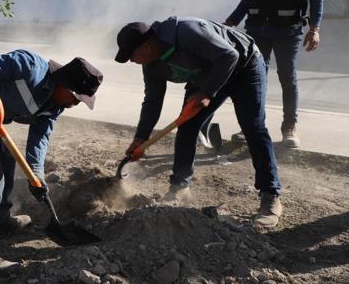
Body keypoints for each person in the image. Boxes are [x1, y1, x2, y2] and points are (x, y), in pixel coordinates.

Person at [0, 51, 103, 278]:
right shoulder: (30, 66)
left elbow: (40, 137)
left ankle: (2, 219)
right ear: (65, 86)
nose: (76, 104)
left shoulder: (55, 105)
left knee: (8, 159)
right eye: (77, 98)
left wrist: (36, 175)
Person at [114, 17, 282, 228]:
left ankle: (270, 198)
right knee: (188, 128)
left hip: (244, 68)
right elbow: (152, 102)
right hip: (207, 76)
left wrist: (207, 92)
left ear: (145, 47)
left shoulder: (187, 32)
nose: (131, 61)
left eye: (132, 55)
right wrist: (141, 138)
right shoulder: (151, 65)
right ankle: (179, 189)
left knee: (253, 127)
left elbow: (230, 55)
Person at [224, 0, 323, 148]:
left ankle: (289, 128)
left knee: (287, 78)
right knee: (255, 79)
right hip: (257, 30)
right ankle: (254, 126)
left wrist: (315, 27)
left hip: (287, 30)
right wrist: (229, 23)